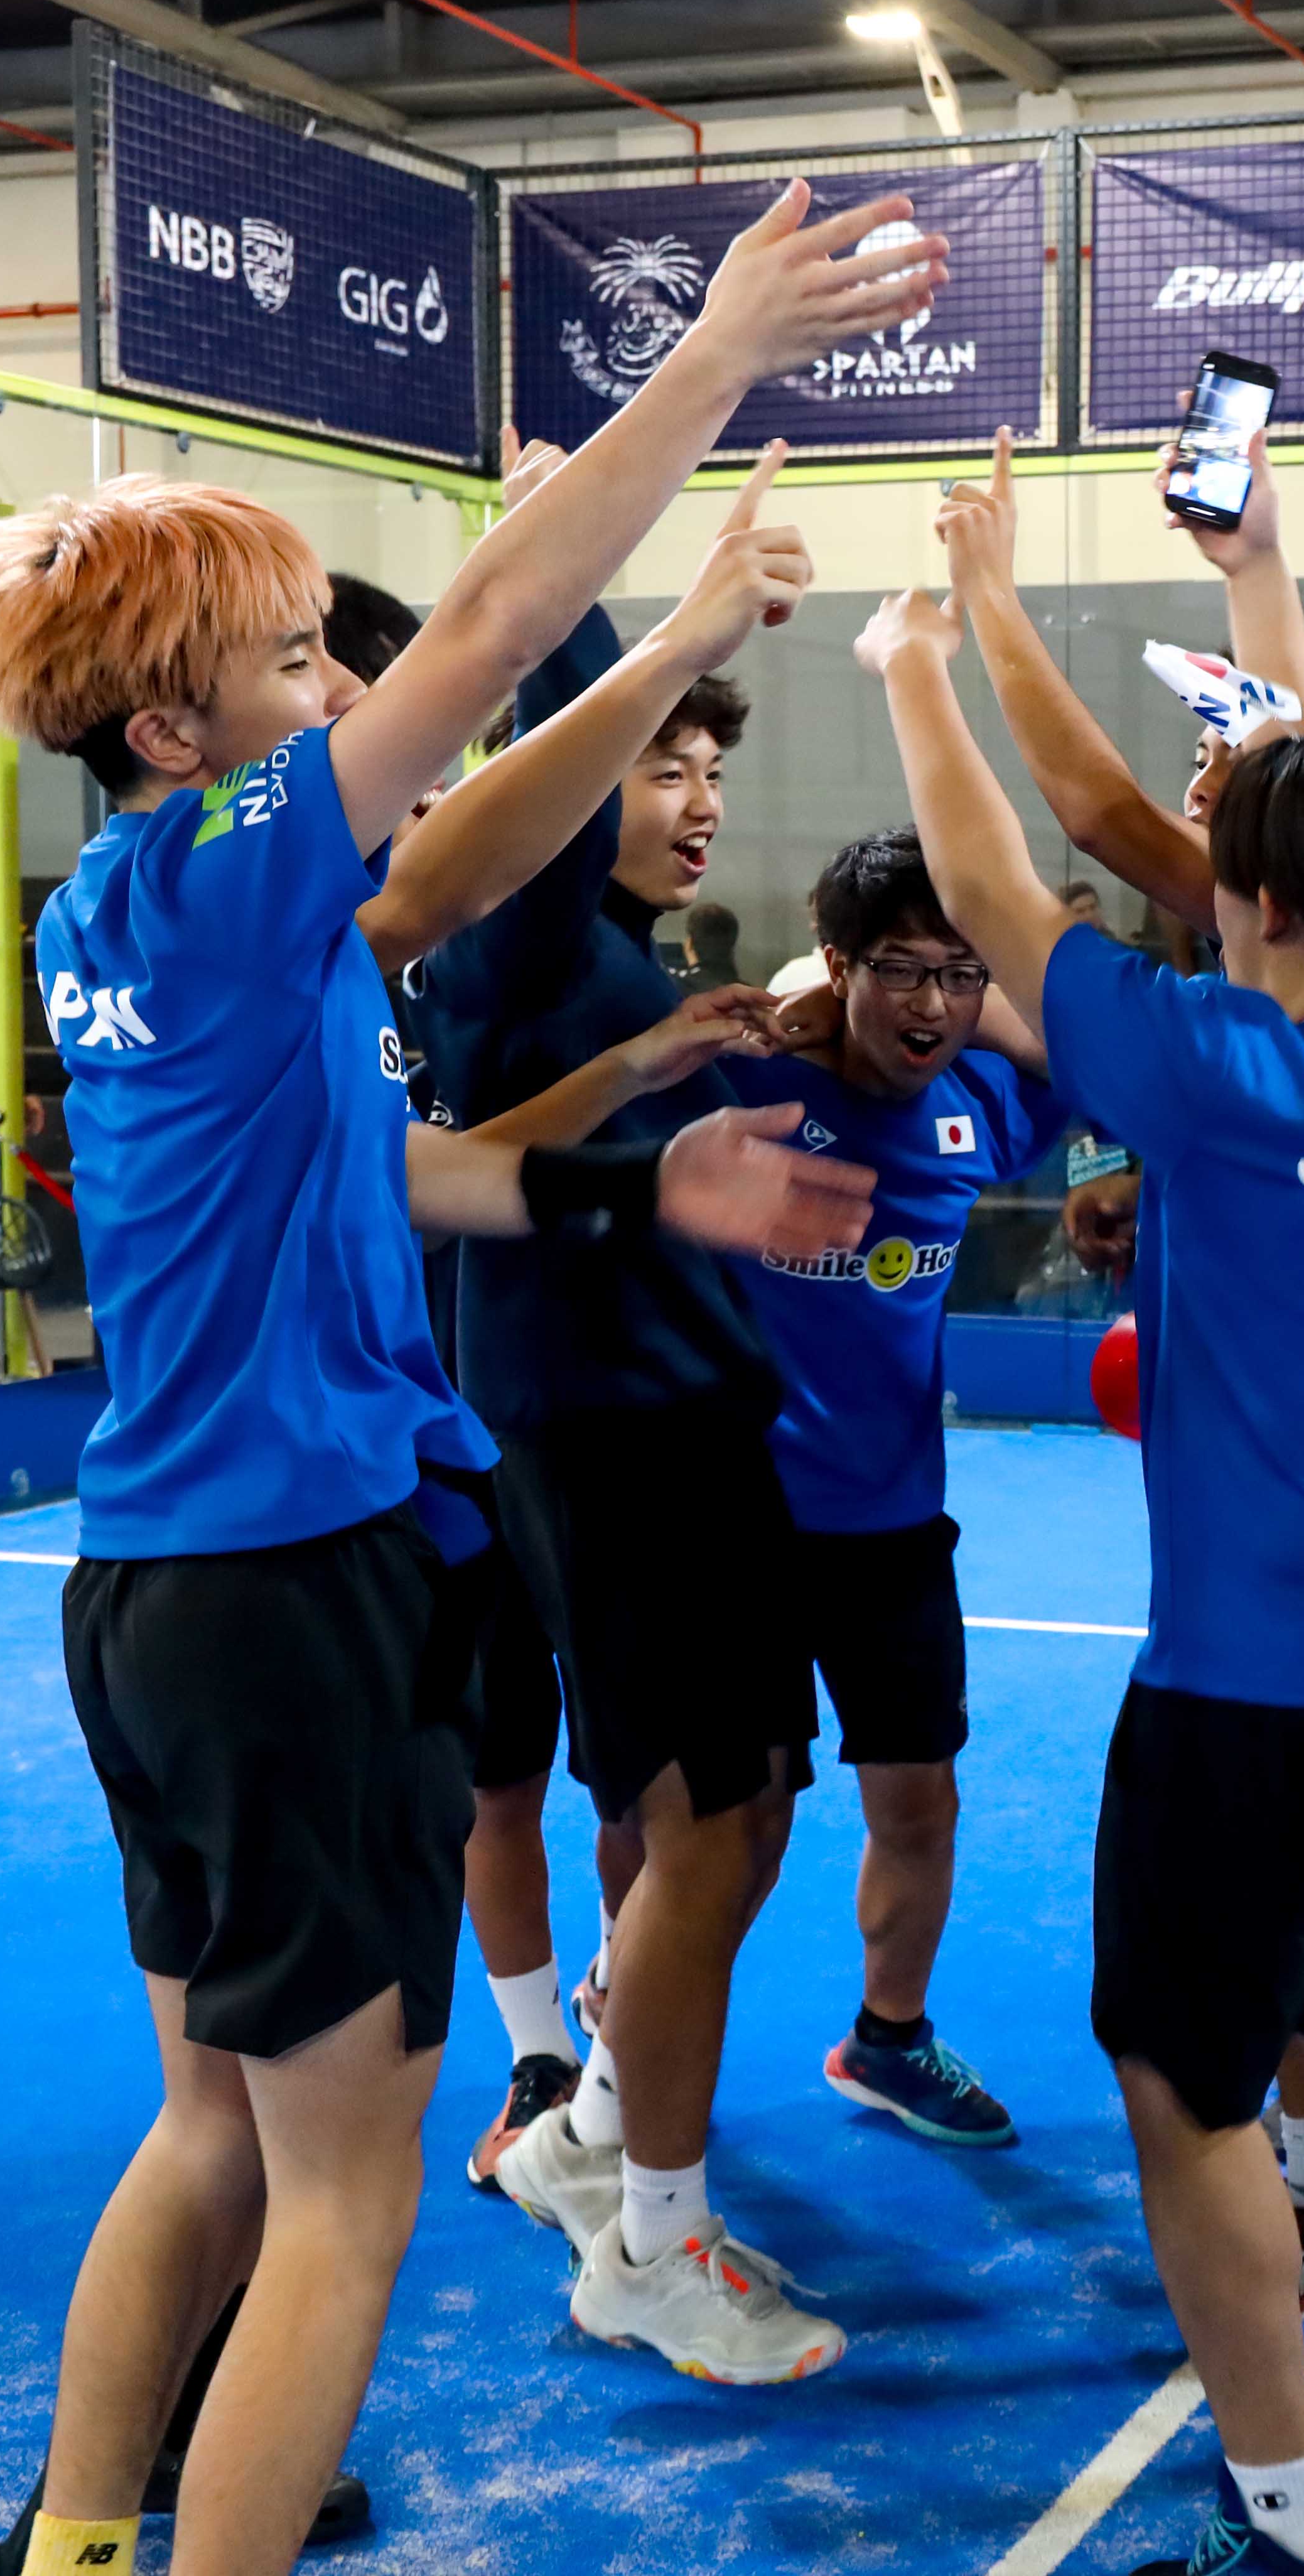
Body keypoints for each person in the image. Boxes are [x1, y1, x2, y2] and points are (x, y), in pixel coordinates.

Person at [0, 178, 924, 2576]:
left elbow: (410, 1154)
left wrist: (636, 1185)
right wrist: (711, 359)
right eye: (294, 666)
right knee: (344, 2202)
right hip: (289, 1593)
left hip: (165, 1593)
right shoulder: (227, 872)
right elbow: (477, 638)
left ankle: (75, 2545)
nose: (338, 690)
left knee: (212, 2137)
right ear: (176, 731)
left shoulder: (149, 924)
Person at [864, 555, 1304, 2576]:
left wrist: (922, 656)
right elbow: (1140, 838)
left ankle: (1287, 2522)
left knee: (1188, 2098)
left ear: (1254, 901)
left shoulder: (1223, 1070)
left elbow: (1003, 877)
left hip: (1252, 1701)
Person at [434, 459, 880, 2386]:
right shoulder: (523, 935)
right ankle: (649, 2245)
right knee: (700, 1835)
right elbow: (551, 706)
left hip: (688, 1438)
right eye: (660, 766)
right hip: (608, 1447)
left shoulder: (626, 965)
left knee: (744, 1820)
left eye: (711, 768)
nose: (695, 798)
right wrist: (588, 549)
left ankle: (595, 2130)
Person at [720, 824, 1069, 2150]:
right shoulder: (748, 1084)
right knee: (734, 1828)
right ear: (838, 963)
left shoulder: (979, 1100)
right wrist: (796, 990)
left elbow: (1089, 1064)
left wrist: (1095, 1170)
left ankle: (889, 2038)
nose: (933, 1003)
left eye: (959, 972)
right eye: (900, 969)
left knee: (920, 1801)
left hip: (895, 1528)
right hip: (738, 1526)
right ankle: (627, 2024)